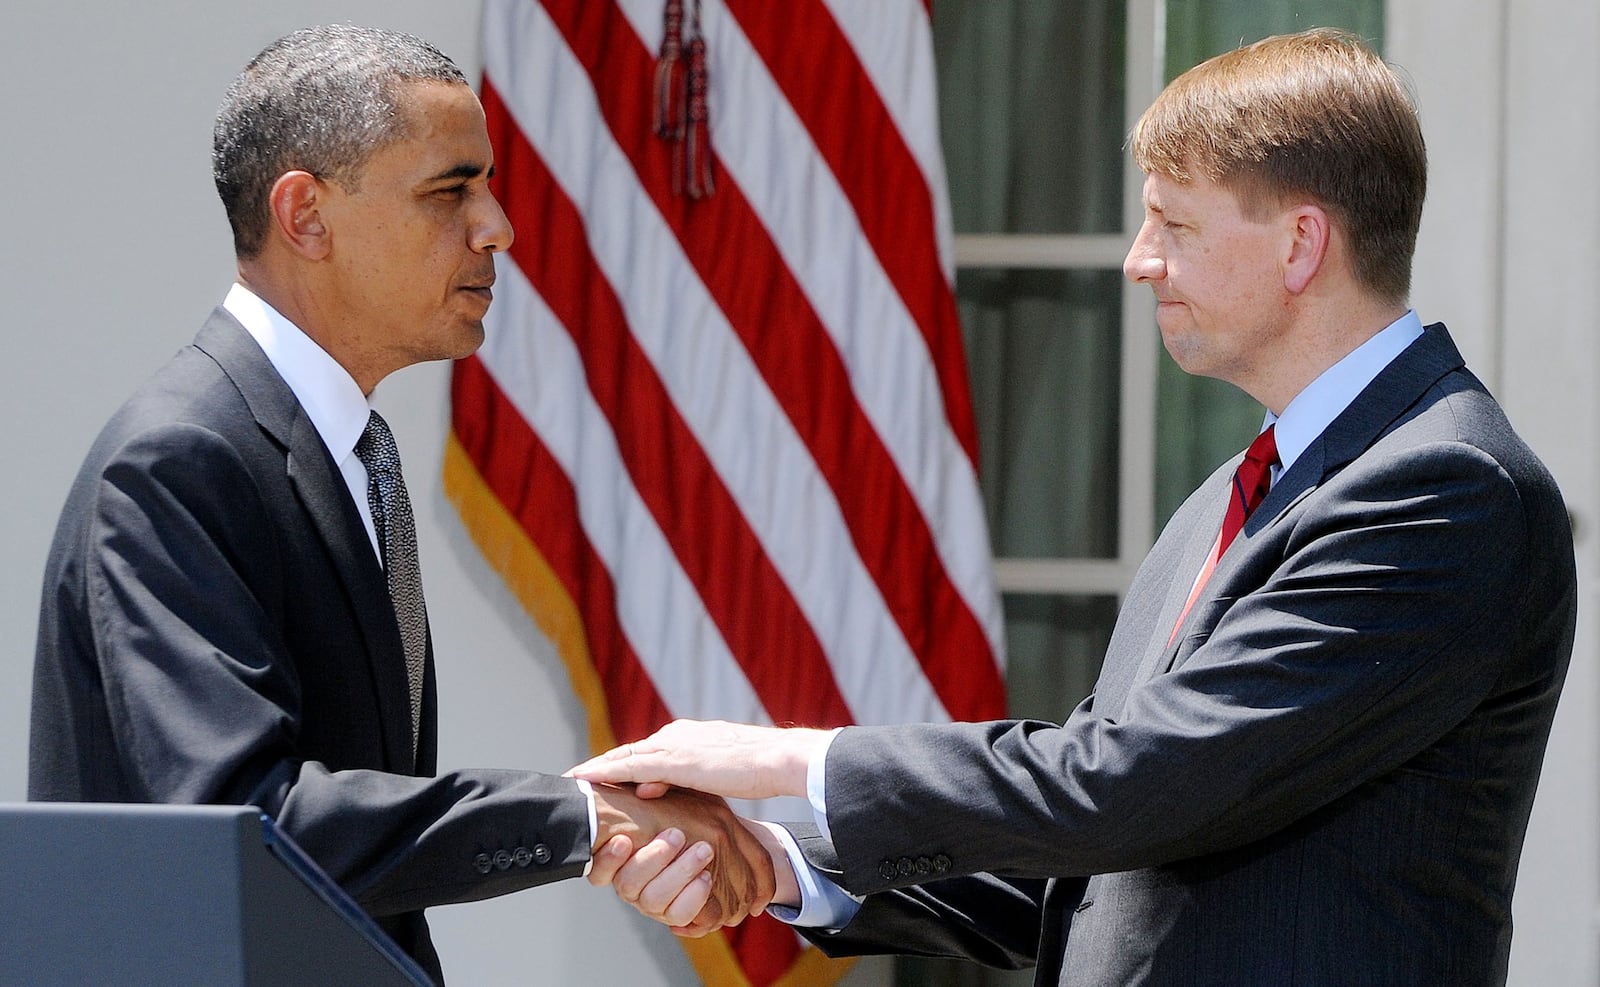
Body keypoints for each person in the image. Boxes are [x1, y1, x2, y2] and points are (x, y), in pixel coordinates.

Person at [571, 28, 1578, 985]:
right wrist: (780, 867)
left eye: (1174, 223)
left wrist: (789, 757)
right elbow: (1102, 860)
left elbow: (1132, 786)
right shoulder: (1236, 498)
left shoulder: (1440, 491)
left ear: (1301, 244)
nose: (1138, 259)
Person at [28, 24, 771, 983]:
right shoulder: (180, 461)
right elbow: (250, 825)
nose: (497, 225)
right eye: (450, 190)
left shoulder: (343, 450)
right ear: (305, 216)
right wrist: (583, 819)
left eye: (488, 185)